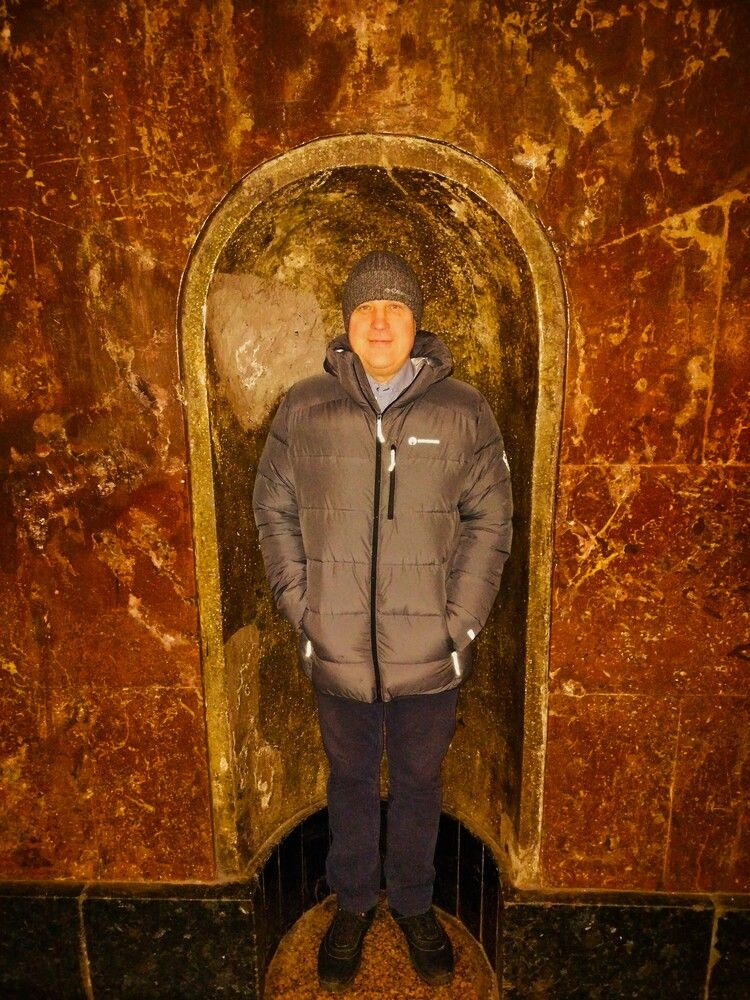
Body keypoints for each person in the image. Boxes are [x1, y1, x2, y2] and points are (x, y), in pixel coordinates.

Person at [253, 250, 513, 991]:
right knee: (350, 779)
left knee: (422, 781)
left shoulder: (463, 411)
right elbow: (272, 507)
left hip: (430, 653)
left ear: (415, 321)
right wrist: (304, 607)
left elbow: (491, 521)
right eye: (365, 308)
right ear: (346, 321)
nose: (378, 322)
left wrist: (457, 624)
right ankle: (354, 901)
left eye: (394, 307)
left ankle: (414, 902)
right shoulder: (305, 407)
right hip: (336, 647)